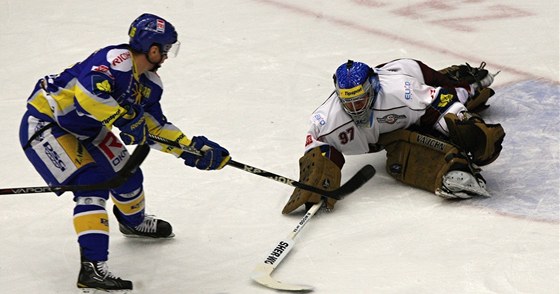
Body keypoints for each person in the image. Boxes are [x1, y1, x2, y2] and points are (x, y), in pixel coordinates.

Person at [19, 13, 231, 292]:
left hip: (87, 129)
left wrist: (189, 148)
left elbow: (154, 126)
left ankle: (133, 223)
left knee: (128, 175)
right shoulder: (115, 60)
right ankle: (91, 269)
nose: (166, 56)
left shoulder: (149, 83)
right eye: (165, 49)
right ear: (153, 48)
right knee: (90, 185)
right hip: (47, 125)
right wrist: (124, 118)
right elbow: (88, 97)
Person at [282, 58, 505, 214]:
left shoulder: (402, 92)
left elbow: (439, 104)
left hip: (409, 72)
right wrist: (317, 175)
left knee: (459, 94)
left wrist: (464, 122)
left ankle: (470, 82)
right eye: (347, 102)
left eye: (359, 100)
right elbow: (318, 146)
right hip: (384, 134)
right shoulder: (327, 118)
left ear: (373, 88)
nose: (355, 108)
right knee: (402, 148)